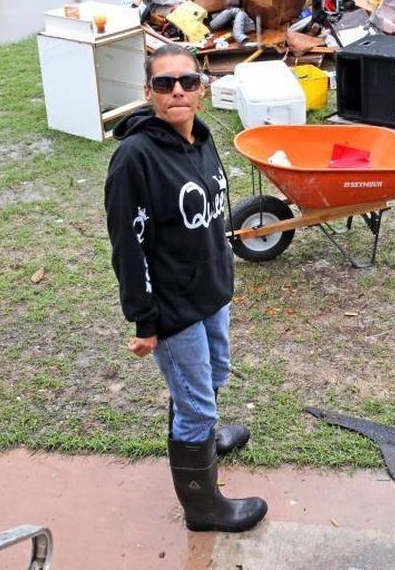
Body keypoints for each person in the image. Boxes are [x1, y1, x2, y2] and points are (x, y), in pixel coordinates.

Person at [104, 44, 267, 533]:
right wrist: (145, 318)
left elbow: (214, 215)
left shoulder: (203, 137)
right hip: (174, 306)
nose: (177, 91)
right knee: (195, 403)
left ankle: (207, 438)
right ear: (148, 92)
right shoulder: (134, 158)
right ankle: (204, 508)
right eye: (164, 83)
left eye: (188, 82)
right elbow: (127, 246)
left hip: (211, 290)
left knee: (214, 374)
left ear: (202, 87)